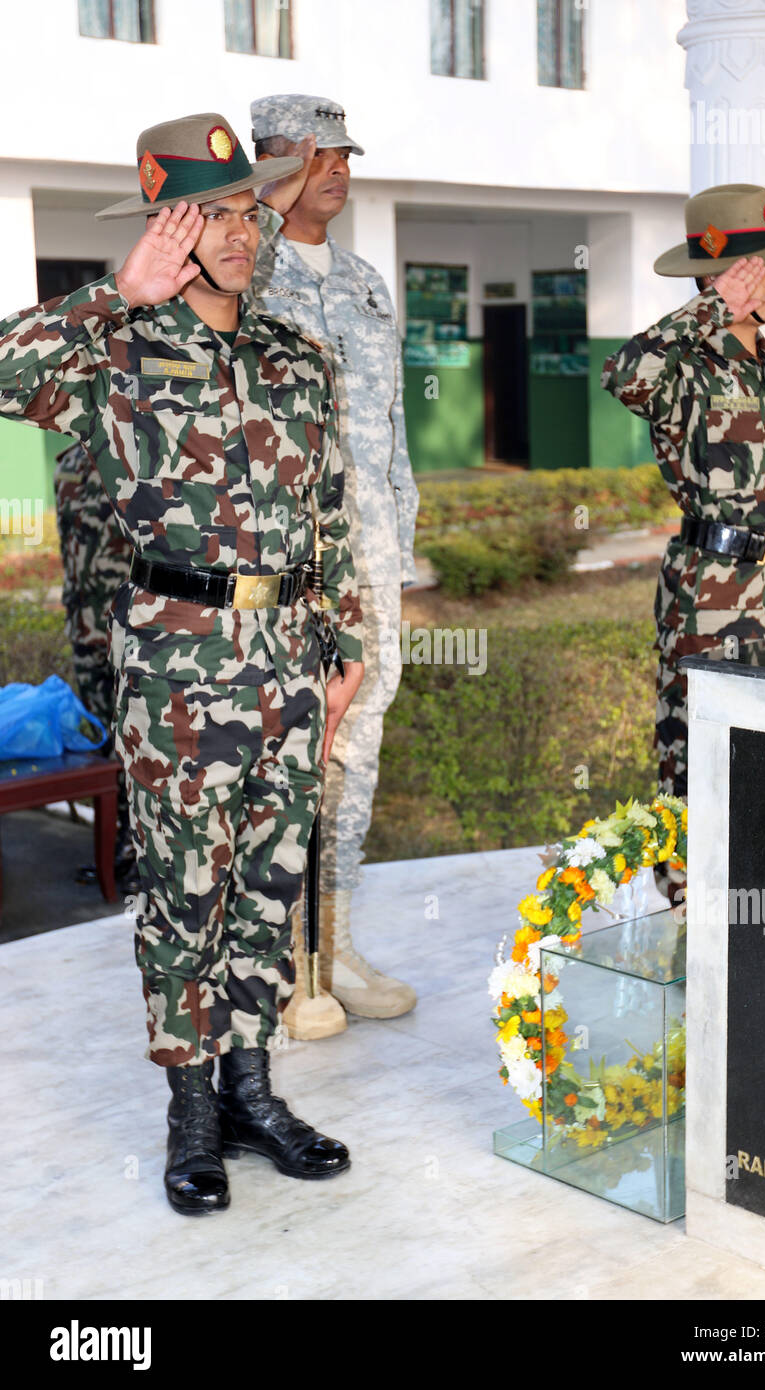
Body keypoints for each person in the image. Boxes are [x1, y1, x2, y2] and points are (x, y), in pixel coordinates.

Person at [0, 112, 365, 1215]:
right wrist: (119, 292)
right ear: (168, 225)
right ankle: (192, 1109)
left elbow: (329, 509)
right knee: (183, 892)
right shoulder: (110, 351)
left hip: (290, 657)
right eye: (214, 212)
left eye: (249, 206)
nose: (243, 229)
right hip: (177, 660)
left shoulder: (295, 353)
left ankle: (254, 1091)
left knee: (266, 881)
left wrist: (342, 646)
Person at [250, 94, 419, 1036]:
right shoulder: (246, 274)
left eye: (345, 156)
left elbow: (389, 425)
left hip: (373, 558)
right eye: (321, 158)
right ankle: (281, 966)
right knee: (289, 751)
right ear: (274, 165)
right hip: (293, 565)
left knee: (358, 751)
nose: (339, 172)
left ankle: (336, 943)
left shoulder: (362, 280)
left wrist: (398, 534)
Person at [601, 184, 765, 904]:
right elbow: (623, 375)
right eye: (761, 269)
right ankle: (686, 924)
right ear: (719, 276)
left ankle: (753, 927)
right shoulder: (685, 364)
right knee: (697, 761)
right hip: (711, 597)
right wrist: (709, 309)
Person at [54, 441, 137, 886]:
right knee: (105, 743)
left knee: (140, 743)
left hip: (129, 630)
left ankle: (147, 851)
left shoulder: (134, 456)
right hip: (85, 628)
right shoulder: (66, 462)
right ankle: (120, 845)